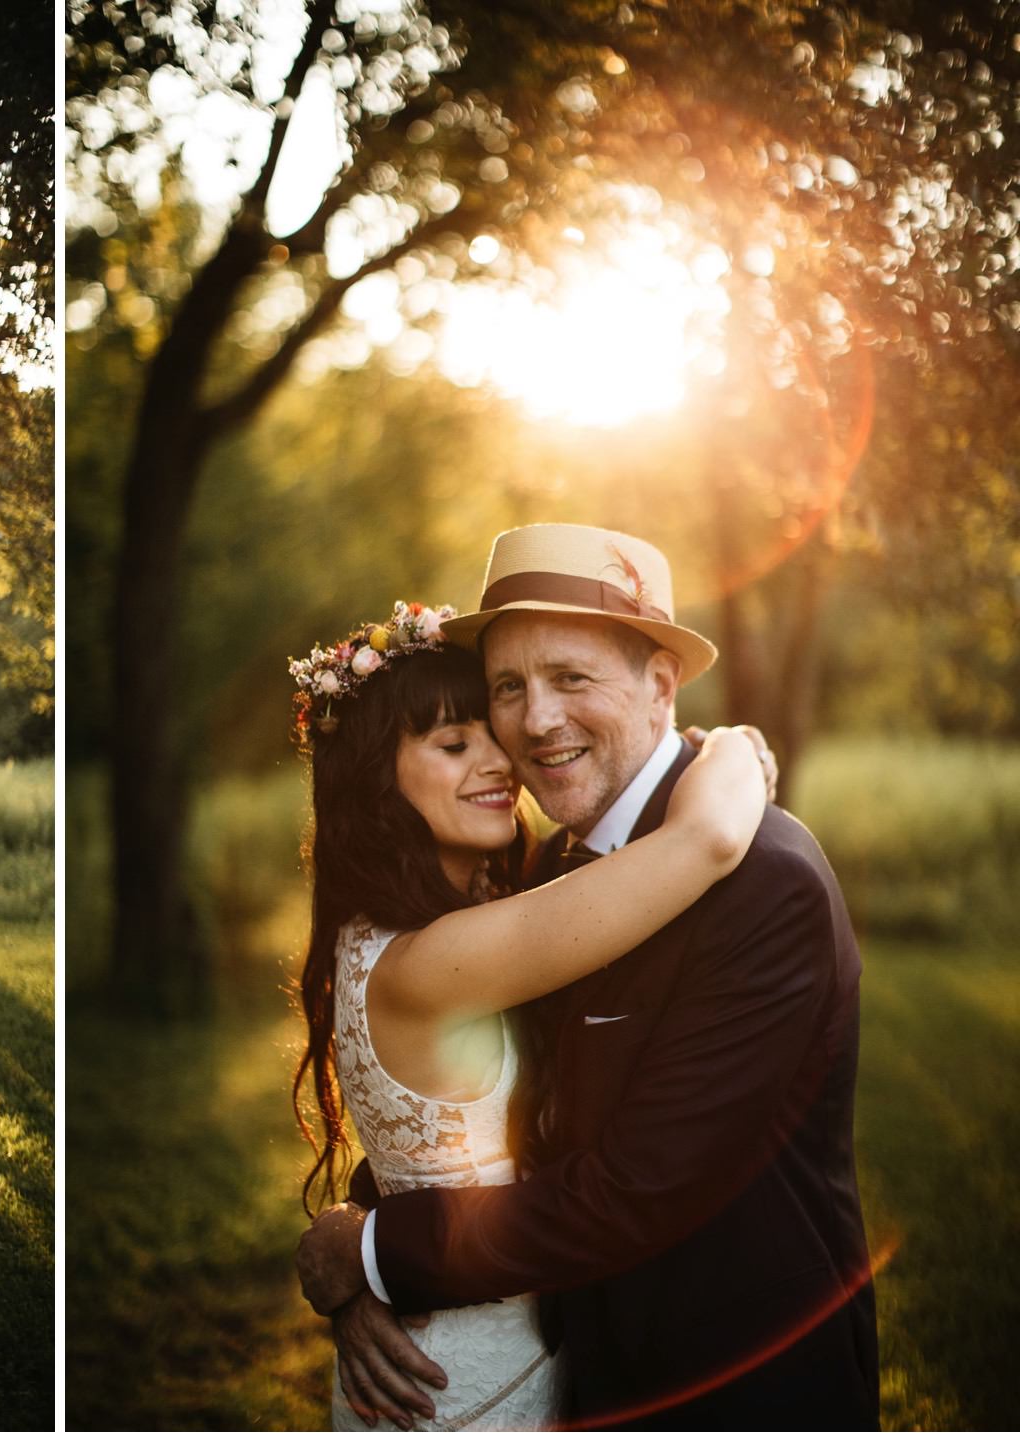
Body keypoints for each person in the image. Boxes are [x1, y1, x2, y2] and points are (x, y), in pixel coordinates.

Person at [296, 525, 877, 1431]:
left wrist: (372, 1253)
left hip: (739, 1383)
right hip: (578, 1376)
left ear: (660, 687)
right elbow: (480, 1102)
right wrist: (370, 1222)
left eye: (571, 678)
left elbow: (633, 1193)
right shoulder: (552, 875)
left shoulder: (767, 881)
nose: (534, 722)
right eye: (508, 689)